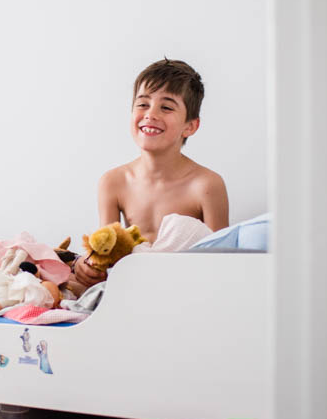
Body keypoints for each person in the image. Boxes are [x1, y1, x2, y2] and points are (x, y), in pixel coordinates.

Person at [73, 58, 229, 288]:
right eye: (143, 104)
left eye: (166, 107)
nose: (150, 114)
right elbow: (106, 252)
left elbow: (222, 264)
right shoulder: (113, 182)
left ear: (190, 126)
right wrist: (87, 267)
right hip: (131, 289)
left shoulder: (206, 185)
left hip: (184, 288)